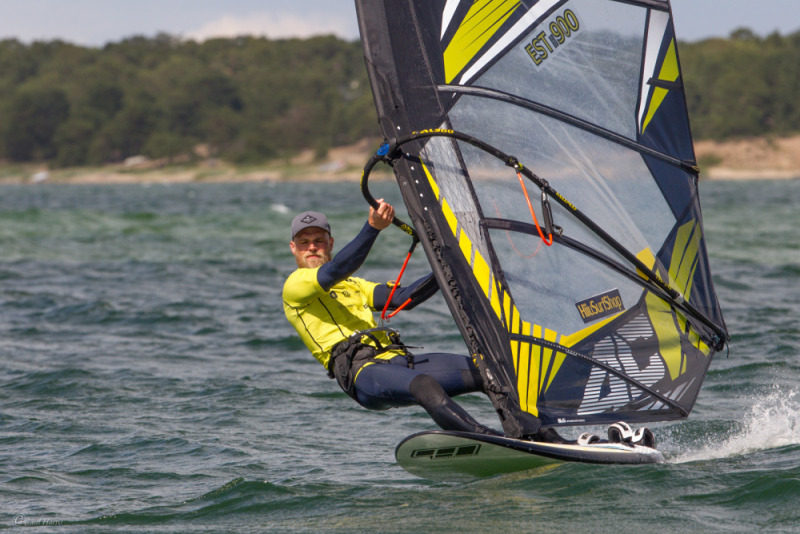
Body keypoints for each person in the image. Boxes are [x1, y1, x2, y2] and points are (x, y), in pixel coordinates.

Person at [282, 202, 501, 436]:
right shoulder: (295, 285)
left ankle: (525, 428)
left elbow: (403, 298)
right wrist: (372, 228)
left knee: (488, 371)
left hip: (398, 360)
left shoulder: (354, 284)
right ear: (293, 248)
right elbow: (337, 269)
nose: (312, 247)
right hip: (363, 373)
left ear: (331, 243)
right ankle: (489, 438)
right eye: (304, 242)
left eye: (319, 240)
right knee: (424, 385)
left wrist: (452, 263)